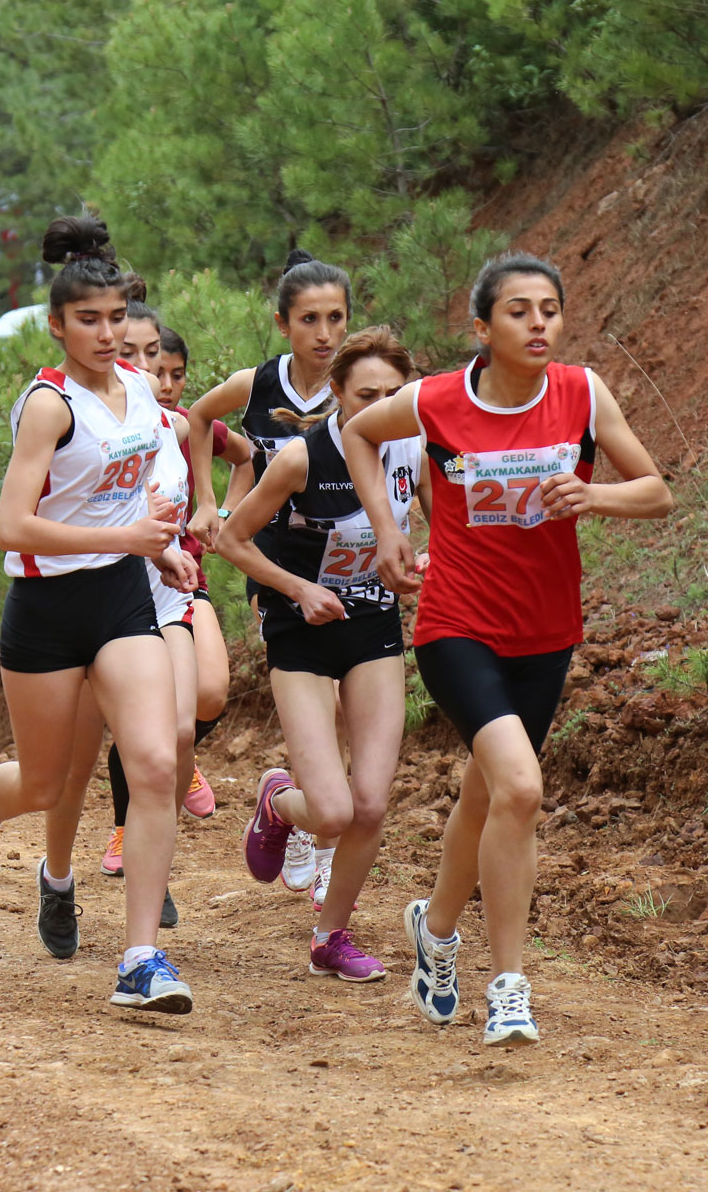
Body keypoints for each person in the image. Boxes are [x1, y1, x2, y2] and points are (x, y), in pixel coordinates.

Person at [343, 252, 673, 1046]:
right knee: (520, 788)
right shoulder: (435, 402)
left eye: (550, 309)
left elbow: (656, 490)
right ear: (482, 328)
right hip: (456, 624)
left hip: (545, 631)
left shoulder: (583, 393)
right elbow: (356, 432)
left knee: (487, 796)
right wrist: (389, 534)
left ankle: (436, 927)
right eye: (519, 310)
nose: (538, 323)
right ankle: (510, 985)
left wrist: (595, 495)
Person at [0, 216, 200, 1014]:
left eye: (117, 317)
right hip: (47, 607)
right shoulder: (50, 406)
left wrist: (154, 548)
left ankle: (140, 957)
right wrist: (126, 533)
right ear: (57, 326)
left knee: (155, 762)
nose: (106, 331)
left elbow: (130, 495)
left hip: (122, 595)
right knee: (48, 782)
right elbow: (12, 526)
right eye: (87, 319)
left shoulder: (142, 401)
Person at [220, 327, 423, 984]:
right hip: (301, 630)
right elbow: (232, 539)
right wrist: (299, 588)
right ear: (336, 392)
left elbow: (445, 530)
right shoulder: (300, 461)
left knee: (370, 803)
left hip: (372, 626)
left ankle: (330, 935)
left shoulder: (412, 451)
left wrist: (423, 563)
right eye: (366, 394)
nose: (381, 406)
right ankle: (279, 802)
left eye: (394, 393)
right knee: (331, 810)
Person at [186, 248, 354, 894]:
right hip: (276, 568)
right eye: (310, 318)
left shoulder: (359, 389)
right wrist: (209, 501)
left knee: (341, 708)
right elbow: (199, 417)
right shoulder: (255, 384)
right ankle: (319, 833)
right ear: (284, 323)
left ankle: (294, 805)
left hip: (350, 566)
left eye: (337, 317)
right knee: (325, 698)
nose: (326, 333)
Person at [38, 291, 201, 943]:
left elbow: (215, 443)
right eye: (126, 351)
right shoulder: (70, 415)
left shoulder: (174, 427)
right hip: (80, 599)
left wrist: (183, 537)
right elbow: (40, 518)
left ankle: (143, 929)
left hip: (151, 601)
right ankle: (56, 877)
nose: (140, 366)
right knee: (69, 768)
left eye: (150, 354)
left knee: (173, 745)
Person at [91, 320, 256, 879]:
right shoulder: (97, 423)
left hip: (178, 577)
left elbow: (247, 456)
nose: (162, 381)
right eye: (150, 367)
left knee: (208, 696)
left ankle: (176, 774)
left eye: (173, 371)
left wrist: (218, 513)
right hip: (110, 586)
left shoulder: (186, 427)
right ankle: (124, 825)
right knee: (143, 722)